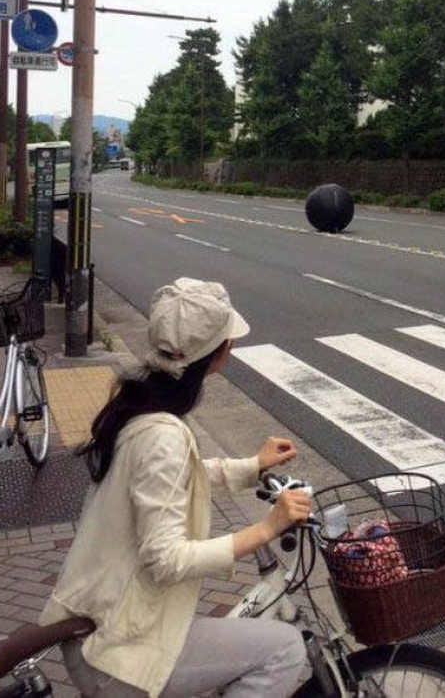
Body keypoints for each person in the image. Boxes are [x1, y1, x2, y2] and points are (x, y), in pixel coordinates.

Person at [39, 277, 312, 698]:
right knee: (285, 649)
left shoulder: (140, 405)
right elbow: (165, 560)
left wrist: (252, 466)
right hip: (119, 649)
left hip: (101, 621)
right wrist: (265, 529)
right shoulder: (163, 433)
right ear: (220, 352)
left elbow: (172, 477)